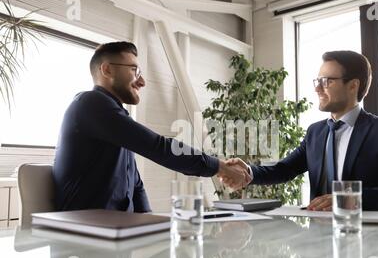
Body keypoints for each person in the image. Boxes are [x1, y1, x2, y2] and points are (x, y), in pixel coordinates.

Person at [53, 41, 250, 212]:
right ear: (107, 70)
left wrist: (149, 221)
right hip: (85, 237)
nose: (142, 81)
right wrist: (220, 167)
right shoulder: (90, 103)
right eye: (134, 70)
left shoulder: (114, 119)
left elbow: (135, 185)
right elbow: (159, 147)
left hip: (116, 234)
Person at [224, 50, 378, 211]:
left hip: (369, 241)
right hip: (319, 241)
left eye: (327, 81)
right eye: (317, 81)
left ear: (353, 85)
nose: (317, 88)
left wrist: (349, 199)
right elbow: (284, 169)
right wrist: (248, 172)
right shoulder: (315, 132)